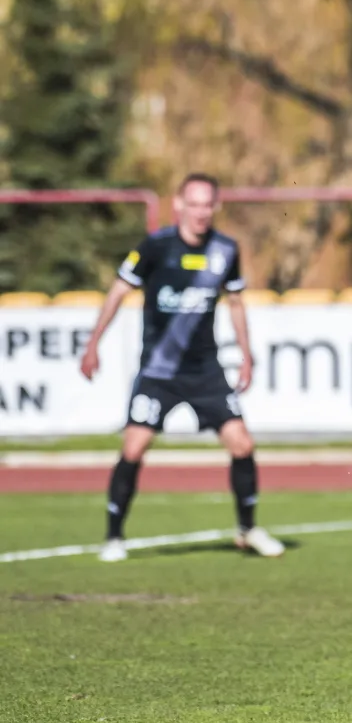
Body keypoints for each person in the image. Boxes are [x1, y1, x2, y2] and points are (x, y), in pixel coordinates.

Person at [79, 174, 284, 561]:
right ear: (179, 205)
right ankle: (114, 536)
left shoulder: (225, 249)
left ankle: (248, 529)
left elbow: (236, 303)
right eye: (194, 204)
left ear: (215, 207)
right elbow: (119, 291)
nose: (201, 212)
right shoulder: (156, 247)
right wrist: (93, 344)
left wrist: (246, 354)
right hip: (159, 370)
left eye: (208, 204)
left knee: (242, 443)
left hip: (205, 370)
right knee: (135, 446)